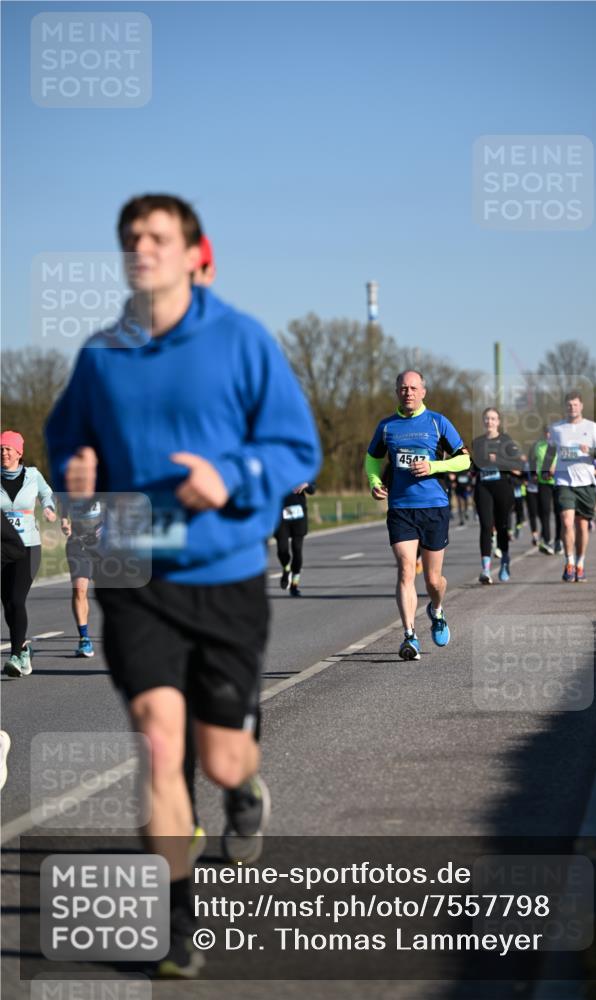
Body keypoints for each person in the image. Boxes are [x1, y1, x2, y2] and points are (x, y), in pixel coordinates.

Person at [46, 193, 321, 977]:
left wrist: (230, 475)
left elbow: (294, 447)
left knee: (221, 757)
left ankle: (242, 785)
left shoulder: (240, 341)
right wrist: (77, 476)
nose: (143, 247)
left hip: (223, 565)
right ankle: (177, 920)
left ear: (195, 252)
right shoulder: (102, 353)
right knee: (159, 743)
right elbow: (68, 442)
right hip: (129, 557)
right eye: (131, 237)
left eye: (158, 236)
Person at [365, 370, 469, 659]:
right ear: (397, 391)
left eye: (413, 388)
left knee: (433, 581)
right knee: (406, 569)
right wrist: (374, 482)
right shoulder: (387, 427)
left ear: (423, 391)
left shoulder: (438, 422)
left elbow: (464, 459)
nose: (408, 392)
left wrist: (434, 467)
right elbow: (372, 459)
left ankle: (436, 609)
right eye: (402, 388)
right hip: (400, 509)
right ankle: (409, 636)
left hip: (434, 507)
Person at [1, 431, 57, 677]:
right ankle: (23, 647)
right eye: (1, 449)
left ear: (19, 452)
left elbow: (47, 494)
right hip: (2, 547)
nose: (3, 453)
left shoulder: (33, 475)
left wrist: (48, 508)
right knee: (7, 604)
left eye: (8, 449)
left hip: (28, 546)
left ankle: (16, 656)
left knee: (17, 599)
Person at [547, 392, 596, 582]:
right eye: (569, 405)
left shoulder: (592, 427)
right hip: (564, 482)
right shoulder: (557, 428)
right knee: (566, 522)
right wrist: (549, 464)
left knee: (582, 526)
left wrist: (589, 450)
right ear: (565, 407)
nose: (572, 408)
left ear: (581, 406)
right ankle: (569, 562)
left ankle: (580, 564)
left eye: (575, 405)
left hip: (586, 483)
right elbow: (550, 450)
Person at [471, 408, 522, 584]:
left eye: (493, 419)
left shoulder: (506, 441)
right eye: (487, 419)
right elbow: (474, 466)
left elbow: (517, 465)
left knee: (501, 526)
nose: (489, 422)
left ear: (498, 422)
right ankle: (485, 569)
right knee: (486, 526)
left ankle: (505, 561)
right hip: (483, 486)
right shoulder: (477, 442)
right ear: (483, 421)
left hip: (502, 486)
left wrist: (497, 461)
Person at [60, 499, 104, 657]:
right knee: (79, 590)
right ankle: (84, 638)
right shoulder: (69, 487)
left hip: (103, 544)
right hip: (77, 544)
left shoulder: (102, 481)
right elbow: (64, 508)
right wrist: (64, 522)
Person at [274, 483, 316, 596]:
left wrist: (306, 485)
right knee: (282, 549)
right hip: (280, 516)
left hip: (299, 516)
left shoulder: (302, 467)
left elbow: (312, 489)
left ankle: (294, 585)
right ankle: (286, 568)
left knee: (297, 550)